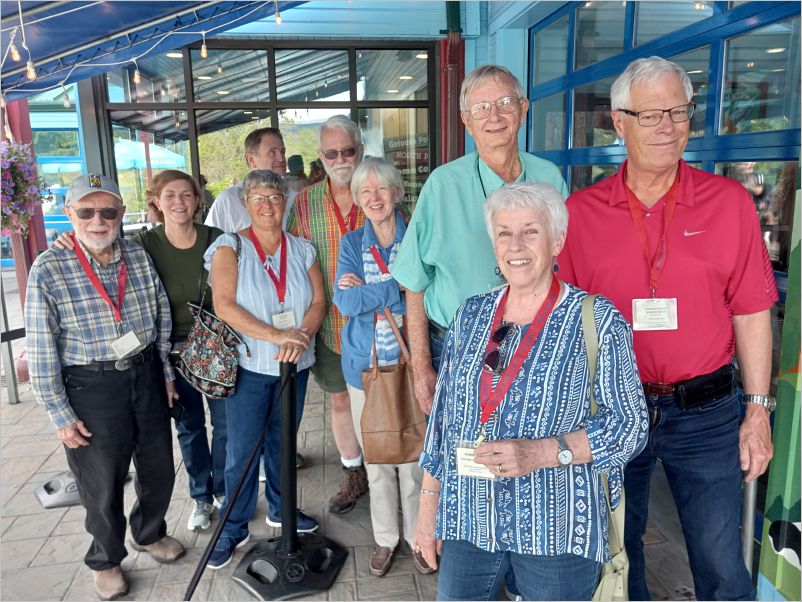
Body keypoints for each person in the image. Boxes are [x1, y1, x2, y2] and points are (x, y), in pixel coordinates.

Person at [557, 56, 779, 601]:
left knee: (722, 562)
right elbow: (563, 324)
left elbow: (752, 311)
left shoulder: (729, 204)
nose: (668, 127)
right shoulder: (579, 214)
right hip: (611, 409)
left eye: (678, 112)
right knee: (615, 555)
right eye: (651, 114)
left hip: (706, 413)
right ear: (618, 121)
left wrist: (757, 411)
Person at [413, 182, 648, 601]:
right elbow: (443, 424)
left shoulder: (596, 320)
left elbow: (629, 426)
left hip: (555, 524)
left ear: (557, 240)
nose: (515, 245)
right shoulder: (471, 314)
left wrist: (539, 452)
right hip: (470, 516)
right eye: (504, 232)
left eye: (531, 231)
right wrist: (427, 513)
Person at [25, 174, 185, 600]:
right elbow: (41, 348)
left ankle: (149, 534)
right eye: (86, 211)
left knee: (157, 466)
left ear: (120, 214)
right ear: (69, 215)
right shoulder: (49, 267)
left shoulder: (135, 253)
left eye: (108, 211)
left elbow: (160, 314)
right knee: (101, 481)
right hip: (90, 386)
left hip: (145, 372)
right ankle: (106, 559)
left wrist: (165, 374)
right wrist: (60, 415)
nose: (98, 221)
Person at [52, 170, 227, 533]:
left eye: (186, 195)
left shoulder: (217, 239)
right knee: (190, 429)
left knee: (224, 427)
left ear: (197, 201)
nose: (179, 202)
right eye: (169, 195)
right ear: (156, 203)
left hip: (214, 352)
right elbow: (96, 243)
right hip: (172, 358)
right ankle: (201, 497)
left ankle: (225, 490)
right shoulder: (145, 244)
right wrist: (66, 239)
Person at [391, 65, 568, 420]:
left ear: (523, 108)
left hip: (535, 342)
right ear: (466, 121)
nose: (495, 116)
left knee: (526, 447)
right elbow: (414, 282)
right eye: (481, 108)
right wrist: (421, 369)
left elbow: (563, 264)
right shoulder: (442, 186)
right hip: (457, 347)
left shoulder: (549, 178)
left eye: (504, 102)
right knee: (461, 456)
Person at [205, 169, 326, 570]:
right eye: (258, 198)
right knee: (243, 451)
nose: (268, 205)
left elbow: (318, 302)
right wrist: (276, 336)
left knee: (283, 444)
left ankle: (282, 510)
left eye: (274, 197)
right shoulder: (230, 247)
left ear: (285, 201)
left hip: (296, 364)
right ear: (245, 203)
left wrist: (301, 336)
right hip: (252, 367)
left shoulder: (303, 248)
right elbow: (225, 306)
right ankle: (233, 527)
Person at [333, 157, 433, 578]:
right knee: (377, 462)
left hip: (414, 365)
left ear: (396, 193)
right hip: (365, 371)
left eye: (381, 189)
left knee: (413, 460)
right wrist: (399, 288)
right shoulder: (352, 244)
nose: (374, 198)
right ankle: (386, 539)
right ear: (358, 199)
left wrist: (375, 290)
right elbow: (346, 303)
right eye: (365, 192)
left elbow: (427, 293)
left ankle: (417, 538)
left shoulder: (418, 237)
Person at [287, 115, 369, 515]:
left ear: (361, 150)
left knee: (381, 401)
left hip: (379, 323)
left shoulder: (381, 191)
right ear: (321, 157)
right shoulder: (303, 203)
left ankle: (386, 467)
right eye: (332, 152)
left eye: (348, 150)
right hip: (332, 325)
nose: (341, 159)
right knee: (340, 402)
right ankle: (353, 470)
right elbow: (289, 258)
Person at [205, 127, 294, 232]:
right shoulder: (229, 200)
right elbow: (212, 243)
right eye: (272, 152)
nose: (281, 159)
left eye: (282, 152)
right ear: (251, 159)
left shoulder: (295, 198)